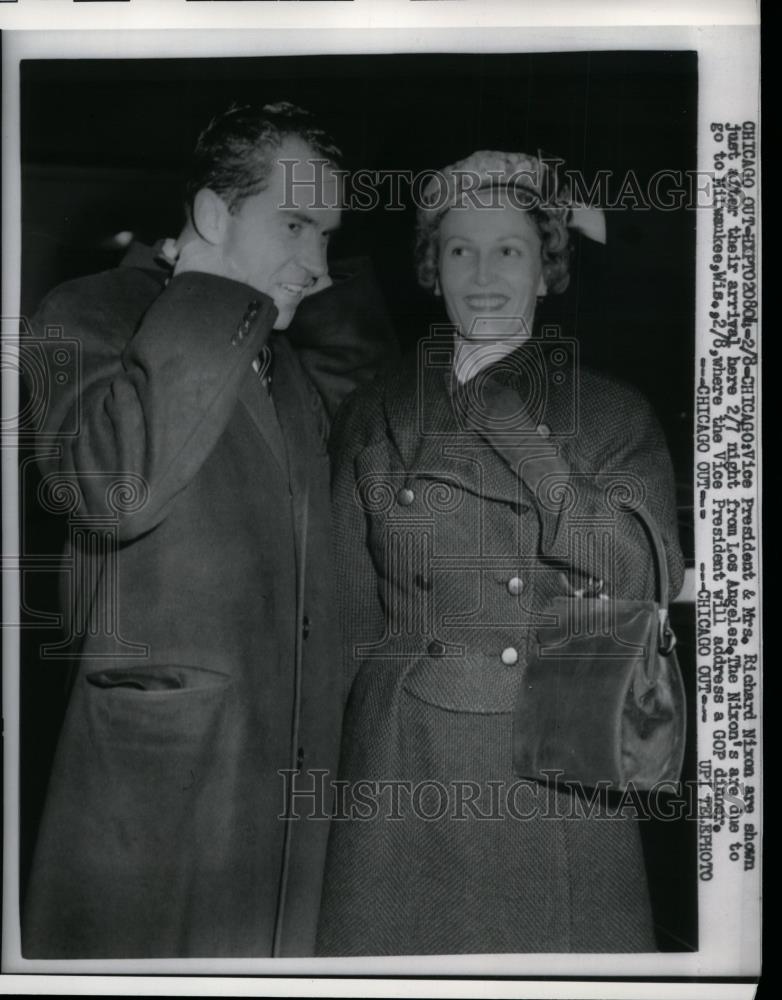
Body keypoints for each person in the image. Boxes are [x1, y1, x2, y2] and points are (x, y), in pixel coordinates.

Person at [22, 102, 396, 958]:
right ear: (211, 214)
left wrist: (290, 287)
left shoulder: (282, 350)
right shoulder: (86, 314)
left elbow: (369, 432)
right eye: (295, 224)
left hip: (289, 773)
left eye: (329, 234)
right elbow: (114, 492)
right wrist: (205, 289)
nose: (316, 261)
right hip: (162, 793)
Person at [316, 150, 685, 955]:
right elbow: (341, 619)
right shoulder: (375, 408)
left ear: (547, 269)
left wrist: (517, 433)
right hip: (401, 758)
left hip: (549, 760)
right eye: (459, 249)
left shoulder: (613, 413)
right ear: (430, 267)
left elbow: (638, 573)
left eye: (509, 250)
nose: (482, 273)